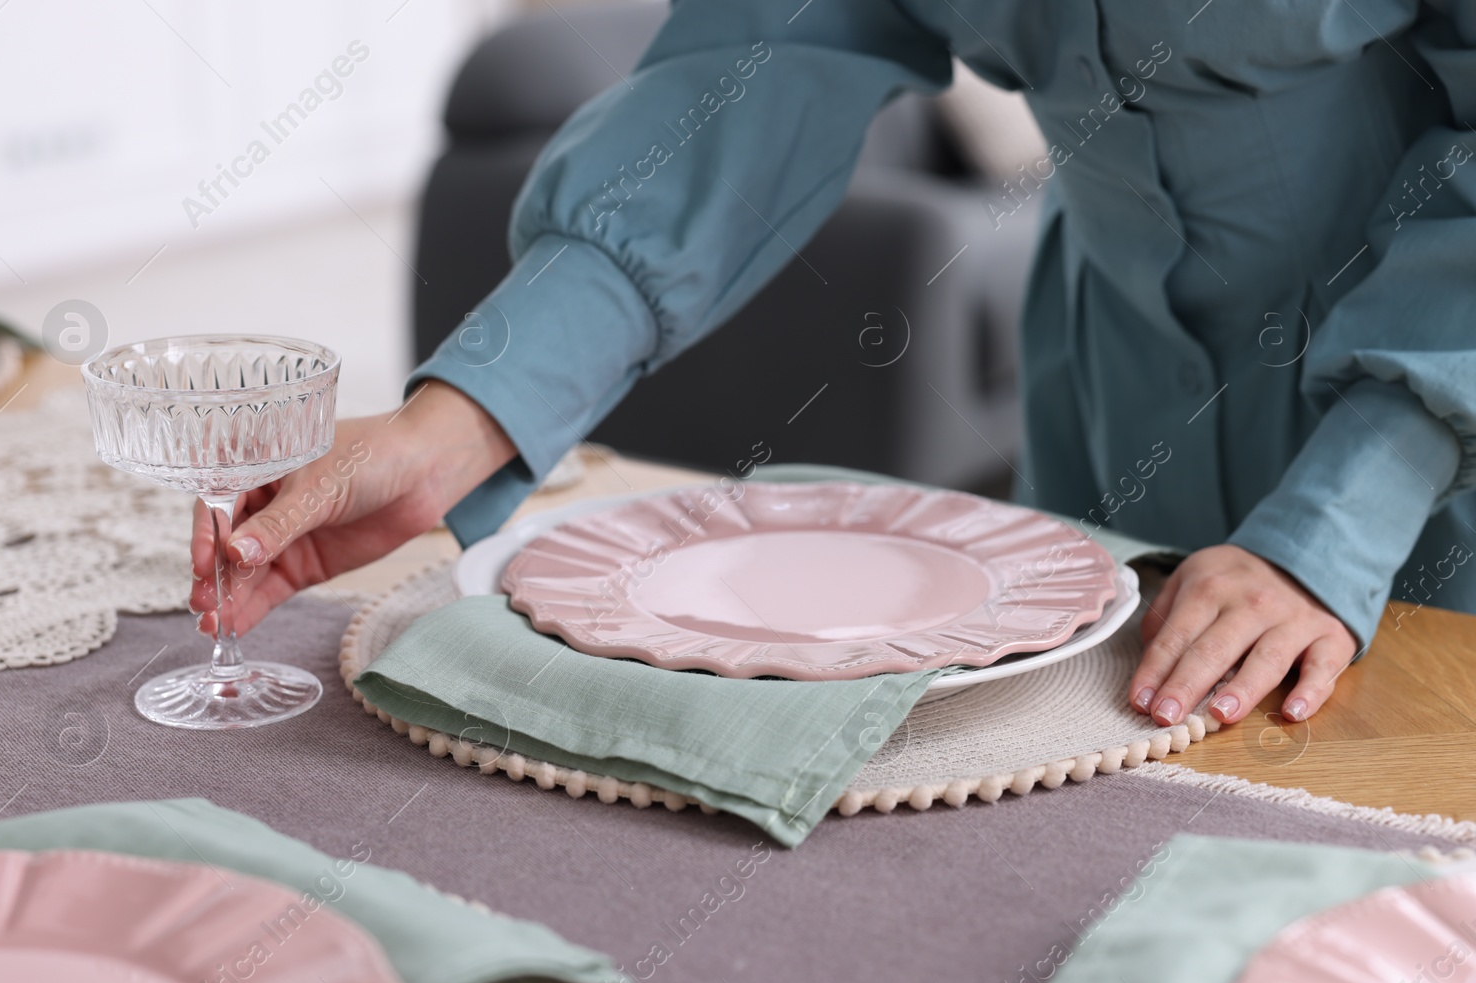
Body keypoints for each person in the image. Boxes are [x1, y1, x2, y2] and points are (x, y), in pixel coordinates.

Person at [192, 0, 1476, 731]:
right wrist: (470, 412)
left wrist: (1329, 532)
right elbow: (760, 63)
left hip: (1429, 451)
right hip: (1108, 400)